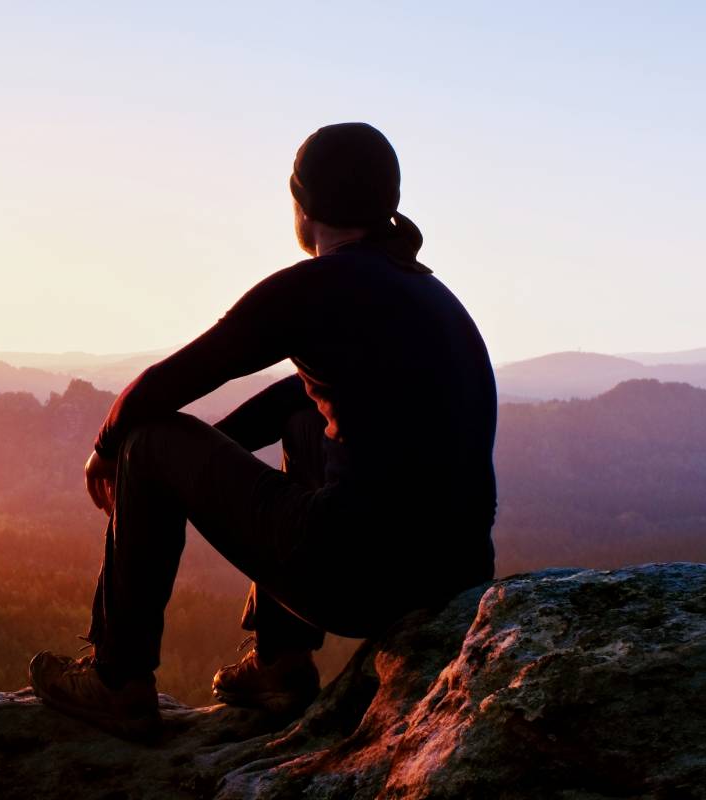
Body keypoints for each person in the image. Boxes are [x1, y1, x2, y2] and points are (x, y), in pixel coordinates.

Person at [28, 122, 497, 740]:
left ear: (303, 208)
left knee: (148, 440)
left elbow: (176, 378)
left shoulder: (314, 287)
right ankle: (281, 663)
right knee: (306, 422)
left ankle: (119, 679)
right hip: (451, 578)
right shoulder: (428, 291)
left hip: (357, 578)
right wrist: (207, 462)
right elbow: (299, 397)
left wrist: (111, 448)